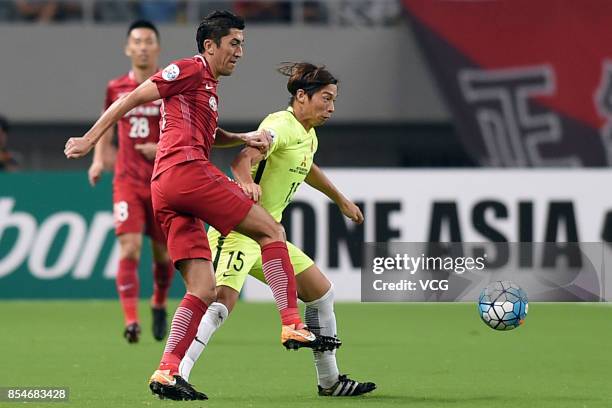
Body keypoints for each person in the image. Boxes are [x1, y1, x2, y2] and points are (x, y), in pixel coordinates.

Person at [64, 11, 339, 401]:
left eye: (242, 43)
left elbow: (212, 134)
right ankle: (292, 321)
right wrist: (90, 141)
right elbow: (132, 96)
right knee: (270, 230)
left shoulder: (206, 86)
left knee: (202, 288)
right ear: (210, 45)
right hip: (186, 172)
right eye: (234, 43)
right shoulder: (190, 69)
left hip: (165, 189)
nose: (240, 52)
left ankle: (167, 370)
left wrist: (243, 136)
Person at [178, 62, 376, 397]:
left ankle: (330, 381)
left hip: (268, 237)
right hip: (239, 230)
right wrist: (244, 183)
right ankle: (176, 372)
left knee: (321, 294)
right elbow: (241, 159)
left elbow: (305, 166)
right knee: (220, 301)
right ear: (301, 96)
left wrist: (340, 198)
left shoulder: (306, 135)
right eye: (326, 98)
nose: (332, 107)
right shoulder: (279, 125)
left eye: (334, 100)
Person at [88, 20, 175, 344]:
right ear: (127, 48)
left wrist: (161, 147)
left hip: (162, 181)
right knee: (130, 246)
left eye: (148, 41)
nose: (142, 46)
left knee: (162, 254)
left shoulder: (169, 84)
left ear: (157, 47)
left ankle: (158, 303)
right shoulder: (116, 88)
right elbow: (106, 125)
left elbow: (182, 127)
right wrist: (98, 160)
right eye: (136, 41)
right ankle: (131, 320)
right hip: (126, 181)